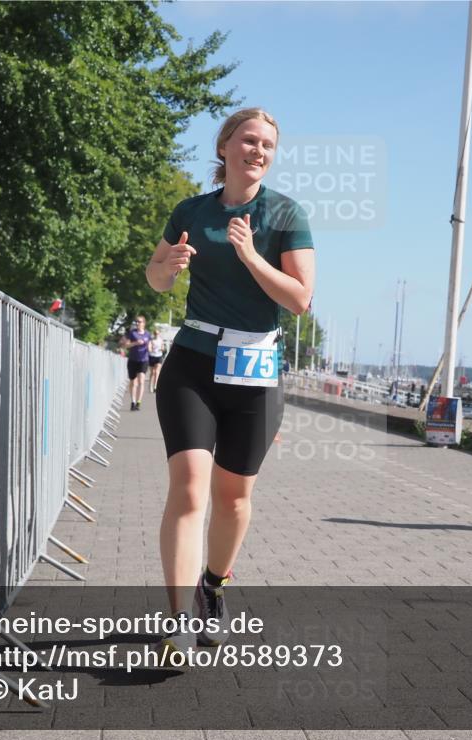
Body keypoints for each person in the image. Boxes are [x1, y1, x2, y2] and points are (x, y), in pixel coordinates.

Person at [144, 108, 314, 664]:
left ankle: (212, 584)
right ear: (225, 146)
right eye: (248, 140)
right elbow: (155, 275)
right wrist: (169, 265)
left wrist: (248, 254)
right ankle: (178, 624)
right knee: (190, 488)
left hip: (255, 370)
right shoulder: (190, 210)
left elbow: (299, 298)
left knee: (233, 498)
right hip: (192, 360)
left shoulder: (286, 214)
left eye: (267, 144)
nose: (257, 150)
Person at [125, 316, 151, 410]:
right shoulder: (132, 333)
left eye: (139, 322)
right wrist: (136, 343)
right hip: (132, 360)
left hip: (143, 360)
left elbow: (150, 346)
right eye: (136, 322)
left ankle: (138, 403)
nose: (137, 323)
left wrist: (150, 348)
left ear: (144, 323)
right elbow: (126, 345)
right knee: (133, 382)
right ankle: (133, 401)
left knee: (141, 380)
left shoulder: (148, 334)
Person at [148, 327, 166, 394]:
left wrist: (161, 349)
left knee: (157, 372)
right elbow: (149, 347)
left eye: (157, 333)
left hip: (159, 356)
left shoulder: (161, 340)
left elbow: (163, 348)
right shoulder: (151, 340)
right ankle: (150, 385)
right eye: (155, 333)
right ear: (154, 334)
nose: (156, 334)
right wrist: (150, 349)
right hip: (152, 356)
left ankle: (155, 386)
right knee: (152, 372)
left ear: (159, 334)